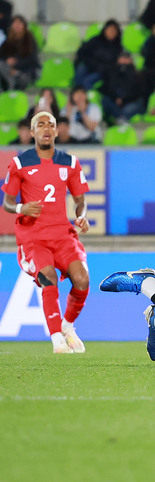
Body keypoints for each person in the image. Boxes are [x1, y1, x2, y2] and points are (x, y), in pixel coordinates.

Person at [1, 111, 90, 354]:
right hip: (33, 237)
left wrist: (81, 216)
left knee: (82, 280)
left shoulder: (70, 162)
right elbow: (7, 202)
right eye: (40, 125)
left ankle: (67, 326)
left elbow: (80, 199)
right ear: (32, 133)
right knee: (47, 276)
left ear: (57, 131)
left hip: (62, 234)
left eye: (50, 124)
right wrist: (22, 207)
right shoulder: (20, 163)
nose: (46, 128)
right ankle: (56, 340)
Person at [74, 19, 122, 90]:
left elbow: (113, 64)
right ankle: (77, 92)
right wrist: (90, 62)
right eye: (109, 30)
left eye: (114, 31)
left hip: (102, 71)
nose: (111, 32)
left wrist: (101, 68)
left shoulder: (118, 48)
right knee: (80, 70)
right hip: (90, 65)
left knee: (87, 81)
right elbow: (81, 52)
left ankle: (85, 97)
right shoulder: (95, 40)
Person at [101, 50, 143, 121]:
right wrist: (116, 98)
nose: (123, 61)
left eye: (126, 58)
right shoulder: (111, 72)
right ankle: (120, 119)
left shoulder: (137, 75)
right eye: (122, 58)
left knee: (128, 110)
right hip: (114, 100)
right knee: (105, 101)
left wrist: (123, 100)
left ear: (130, 60)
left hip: (130, 101)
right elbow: (108, 88)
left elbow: (137, 93)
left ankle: (119, 119)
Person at [0, 15, 40, 90]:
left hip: (25, 72)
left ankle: (12, 87)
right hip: (8, 70)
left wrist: (16, 63)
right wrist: (8, 61)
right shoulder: (8, 42)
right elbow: (2, 55)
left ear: (24, 25)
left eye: (19, 23)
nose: (17, 26)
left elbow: (32, 59)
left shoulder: (29, 39)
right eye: (15, 23)